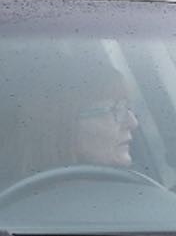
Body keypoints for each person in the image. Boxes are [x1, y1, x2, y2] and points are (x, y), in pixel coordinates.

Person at [5, 54, 140, 187]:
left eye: (126, 107)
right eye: (116, 110)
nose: (133, 123)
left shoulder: (135, 191)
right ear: (62, 125)